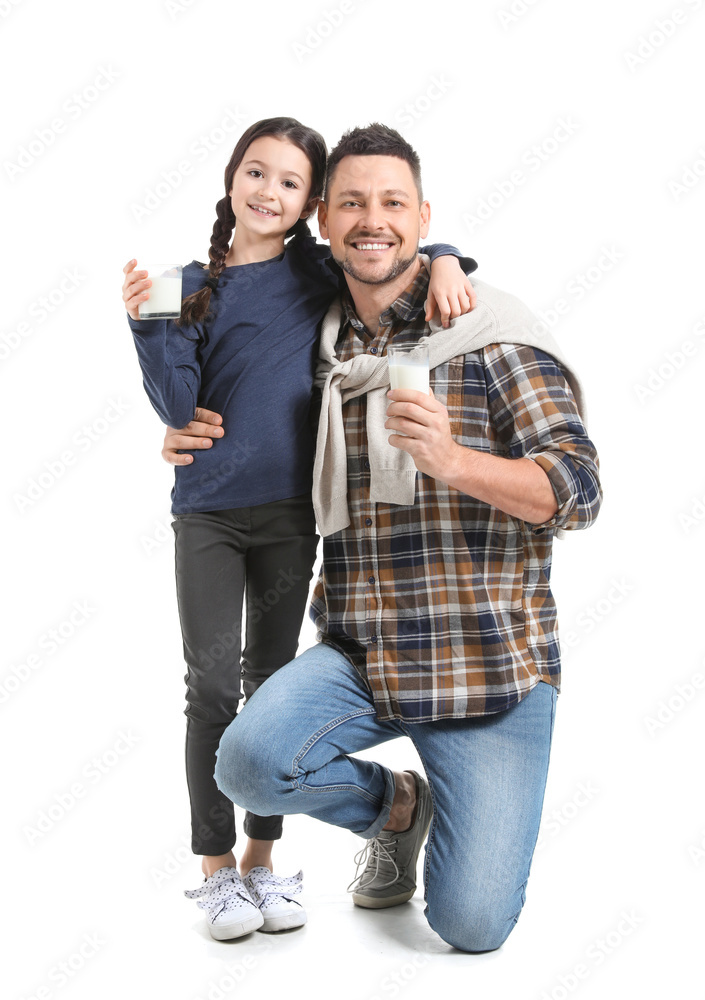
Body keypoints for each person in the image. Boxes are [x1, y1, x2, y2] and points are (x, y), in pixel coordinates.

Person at [165, 123, 602, 952]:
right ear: (322, 222)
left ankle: (443, 818)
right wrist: (181, 429)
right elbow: (238, 390)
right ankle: (395, 808)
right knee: (247, 761)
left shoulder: (489, 332)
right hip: (364, 656)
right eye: (353, 203)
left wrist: (453, 460)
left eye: (394, 204)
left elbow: (579, 488)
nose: (375, 220)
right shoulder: (322, 341)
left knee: (470, 928)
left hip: (488, 669)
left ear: (423, 215)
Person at [122, 116, 477, 942]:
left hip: (290, 515)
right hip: (207, 512)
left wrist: (450, 255)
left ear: (309, 204)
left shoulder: (317, 269)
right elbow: (180, 408)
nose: (268, 192)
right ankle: (214, 873)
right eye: (256, 172)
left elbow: (389, 247)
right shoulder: (186, 282)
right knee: (209, 688)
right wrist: (146, 326)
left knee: (267, 684)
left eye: (288, 182)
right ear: (231, 179)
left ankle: (260, 863)